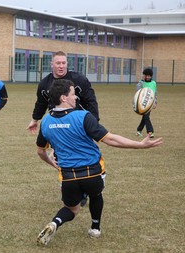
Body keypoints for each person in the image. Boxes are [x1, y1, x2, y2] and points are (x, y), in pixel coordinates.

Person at [35, 79, 163, 246]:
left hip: (67, 176)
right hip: (92, 173)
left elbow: (40, 151)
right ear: (63, 98)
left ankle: (55, 223)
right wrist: (139, 145)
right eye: (73, 94)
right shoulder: (83, 116)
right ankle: (95, 228)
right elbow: (109, 139)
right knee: (96, 195)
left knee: (72, 209)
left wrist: (52, 163)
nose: (76, 98)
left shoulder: (45, 122)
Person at [27, 51, 99, 207]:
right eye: (58, 63)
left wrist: (94, 124)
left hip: (80, 126)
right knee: (62, 158)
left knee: (84, 156)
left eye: (64, 63)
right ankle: (70, 188)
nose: (61, 66)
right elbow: (41, 104)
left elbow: (91, 101)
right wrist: (34, 120)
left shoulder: (79, 80)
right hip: (60, 128)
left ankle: (83, 189)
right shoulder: (45, 84)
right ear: (51, 64)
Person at [136, 68, 157, 138]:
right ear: (144, 76)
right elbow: (138, 93)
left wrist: (155, 102)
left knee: (145, 117)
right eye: (146, 75)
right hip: (143, 103)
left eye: (149, 76)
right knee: (146, 117)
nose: (148, 77)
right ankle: (150, 131)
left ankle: (139, 130)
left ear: (151, 76)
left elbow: (155, 93)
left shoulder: (154, 83)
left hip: (150, 103)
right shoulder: (141, 83)